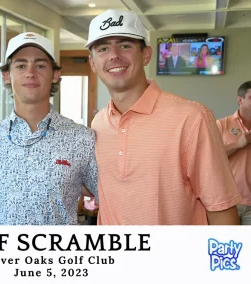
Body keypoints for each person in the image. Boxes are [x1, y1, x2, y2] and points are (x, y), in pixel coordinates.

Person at [86, 9, 241, 225]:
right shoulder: (98, 124)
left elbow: (221, 209)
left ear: (146, 55)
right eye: (103, 48)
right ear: (93, 63)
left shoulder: (192, 118)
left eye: (125, 45)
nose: (114, 55)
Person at [0, 32, 98, 225]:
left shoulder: (82, 137)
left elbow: (108, 196)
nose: (30, 73)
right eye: (21, 65)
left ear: (55, 75)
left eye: (40, 65)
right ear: (6, 75)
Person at [216, 81, 251, 225]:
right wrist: (238, 144)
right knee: (228, 245)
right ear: (240, 100)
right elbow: (211, 158)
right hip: (228, 201)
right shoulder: (222, 125)